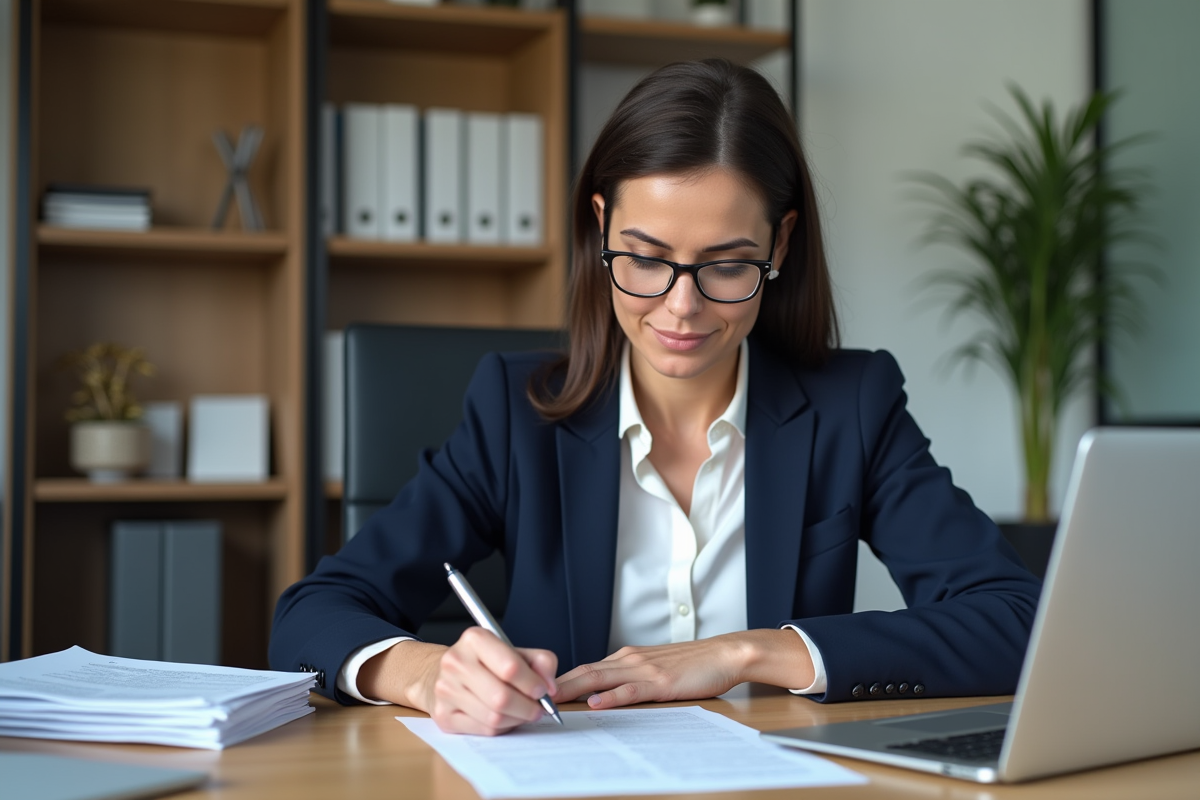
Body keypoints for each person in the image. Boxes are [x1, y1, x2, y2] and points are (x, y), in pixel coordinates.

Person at [270, 59, 1040, 736]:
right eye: (645, 259)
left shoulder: (853, 408)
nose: (681, 308)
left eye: (727, 265)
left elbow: (1017, 618)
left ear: (779, 244)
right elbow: (311, 614)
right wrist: (428, 674)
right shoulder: (514, 413)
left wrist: (750, 652)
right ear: (601, 224)